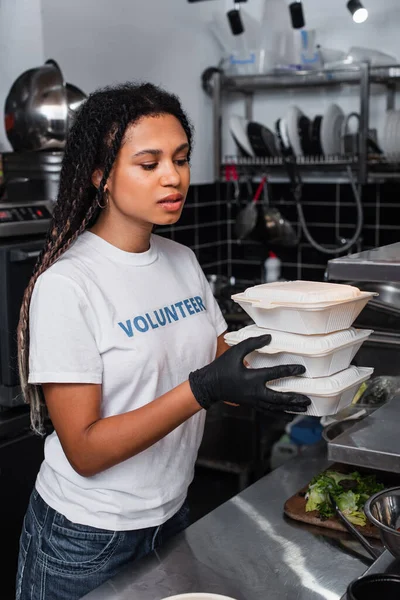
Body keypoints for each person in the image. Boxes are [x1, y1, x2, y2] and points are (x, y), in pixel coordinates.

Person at [15, 81, 310, 600]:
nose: (173, 177)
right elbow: (84, 448)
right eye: (148, 164)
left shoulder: (181, 260)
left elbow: (223, 368)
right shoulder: (68, 285)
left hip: (171, 515)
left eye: (181, 158)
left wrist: (296, 364)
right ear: (101, 176)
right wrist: (203, 389)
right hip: (85, 536)